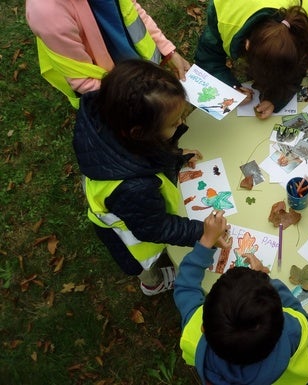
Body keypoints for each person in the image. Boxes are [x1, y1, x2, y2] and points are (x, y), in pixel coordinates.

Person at [72, 59, 228, 296]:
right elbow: (154, 229)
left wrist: (175, 156)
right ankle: (152, 284)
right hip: (128, 236)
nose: (182, 123)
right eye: (174, 123)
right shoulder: (135, 189)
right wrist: (202, 233)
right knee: (145, 267)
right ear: (140, 133)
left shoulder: (112, 122)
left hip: (132, 207)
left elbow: (150, 155)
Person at [174, 210, 308, 385]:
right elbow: (299, 314)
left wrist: (206, 241)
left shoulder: (194, 336)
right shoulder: (291, 331)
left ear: (203, 328)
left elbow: (185, 286)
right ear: (281, 321)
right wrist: (265, 280)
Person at [25, 0, 190, 108]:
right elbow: (83, 81)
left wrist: (167, 51)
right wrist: (135, 101)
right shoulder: (48, 14)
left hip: (136, 72)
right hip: (110, 96)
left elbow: (132, 12)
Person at [194, 0, 308, 119]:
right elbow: (207, 59)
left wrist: (274, 98)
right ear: (247, 45)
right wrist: (231, 89)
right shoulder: (223, 17)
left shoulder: (302, 23)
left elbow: (295, 68)